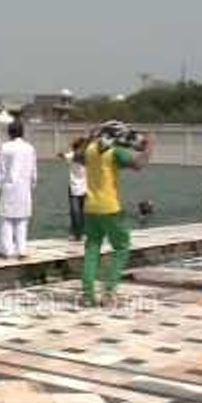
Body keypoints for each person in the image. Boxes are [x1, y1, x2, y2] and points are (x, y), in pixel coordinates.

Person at [74, 120, 153, 307]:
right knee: (121, 246)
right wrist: (149, 146)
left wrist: (89, 136)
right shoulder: (115, 152)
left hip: (90, 207)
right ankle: (109, 291)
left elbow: (77, 157)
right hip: (110, 208)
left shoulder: (91, 148)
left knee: (92, 248)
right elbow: (139, 163)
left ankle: (87, 295)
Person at [0, 119, 37, 259]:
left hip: (9, 188)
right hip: (24, 189)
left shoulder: (6, 148)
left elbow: (0, 170)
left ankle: (6, 251)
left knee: (6, 220)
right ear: (22, 133)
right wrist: (32, 185)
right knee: (22, 221)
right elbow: (33, 170)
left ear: (9, 133)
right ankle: (22, 251)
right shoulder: (30, 148)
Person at [61, 137, 88, 240]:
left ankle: (78, 233)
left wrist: (67, 150)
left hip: (84, 187)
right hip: (75, 188)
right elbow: (63, 155)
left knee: (79, 212)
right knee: (76, 212)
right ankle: (76, 233)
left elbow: (61, 155)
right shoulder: (75, 155)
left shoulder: (77, 155)